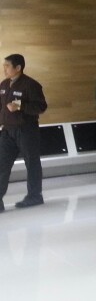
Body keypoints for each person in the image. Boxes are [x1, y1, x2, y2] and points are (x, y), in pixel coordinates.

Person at [0, 54, 48, 211]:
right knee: (2, 164)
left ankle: (35, 196)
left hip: (26, 130)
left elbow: (41, 107)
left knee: (31, 163)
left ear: (18, 67)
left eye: (7, 66)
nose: (4, 69)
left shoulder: (31, 85)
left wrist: (20, 106)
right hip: (7, 131)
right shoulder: (4, 84)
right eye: (4, 65)